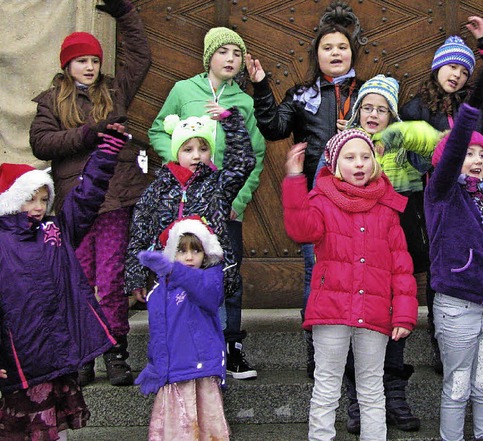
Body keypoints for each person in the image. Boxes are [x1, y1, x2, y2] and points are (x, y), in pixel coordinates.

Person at [29, 0, 152, 387]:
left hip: (113, 200)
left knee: (112, 277)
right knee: (79, 279)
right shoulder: (51, 101)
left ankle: (115, 350)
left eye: (94, 61)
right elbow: (41, 143)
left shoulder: (114, 91)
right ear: (67, 65)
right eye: (81, 61)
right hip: (73, 207)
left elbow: (141, 56)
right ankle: (83, 353)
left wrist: (125, 13)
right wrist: (86, 133)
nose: (89, 67)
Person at [282, 129, 418, 441]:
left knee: (372, 388)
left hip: (374, 312)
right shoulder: (320, 201)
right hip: (331, 311)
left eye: (365, 157)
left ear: (374, 162)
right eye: (350, 157)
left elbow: (401, 266)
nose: (359, 164)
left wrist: (404, 314)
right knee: (327, 385)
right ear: (333, 164)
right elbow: (301, 229)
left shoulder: (386, 207)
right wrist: (293, 180)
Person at [147, 26, 265, 380]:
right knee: (183, 270)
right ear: (208, 57)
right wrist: (178, 160)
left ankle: (231, 347)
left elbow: (255, 155)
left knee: (228, 274)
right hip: (187, 203)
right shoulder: (184, 90)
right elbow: (157, 130)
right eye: (223, 52)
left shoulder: (243, 101)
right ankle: (184, 345)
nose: (230, 59)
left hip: (224, 203)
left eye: (236, 53)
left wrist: (239, 199)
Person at [246, 21, 363, 378]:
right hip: (318, 199)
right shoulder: (302, 94)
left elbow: (391, 131)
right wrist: (262, 85)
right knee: (318, 273)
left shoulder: (368, 92)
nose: (335, 53)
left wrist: (361, 128)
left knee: (361, 270)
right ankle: (319, 354)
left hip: (362, 199)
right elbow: (273, 127)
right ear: (317, 55)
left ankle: (360, 351)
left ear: (352, 53)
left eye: (342, 47)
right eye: (328, 47)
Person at [399, 15, 483, 374]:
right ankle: (440, 340)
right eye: (451, 67)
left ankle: (477, 332)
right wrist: (437, 167)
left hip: (471, 199)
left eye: (464, 72)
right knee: (439, 267)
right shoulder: (416, 107)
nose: (457, 76)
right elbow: (409, 150)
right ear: (436, 69)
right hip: (436, 200)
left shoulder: (471, 105)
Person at [0, 128, 129, 440]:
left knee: (56, 428)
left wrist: (106, 154)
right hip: (23, 360)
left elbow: (86, 199)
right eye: (29, 199)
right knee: (27, 430)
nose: (38, 207)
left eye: (44, 199)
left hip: (59, 355)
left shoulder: (55, 233)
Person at [339, 74, 440, 433]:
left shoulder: (404, 147)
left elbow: (437, 145)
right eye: (367, 107)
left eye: (382, 109)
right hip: (357, 250)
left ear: (391, 116)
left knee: (397, 322)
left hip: (400, 248)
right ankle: (358, 400)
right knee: (358, 323)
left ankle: (394, 394)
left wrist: (401, 134)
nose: (373, 114)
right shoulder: (344, 147)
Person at [419, 84, 483, 440]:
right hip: (458, 307)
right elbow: (456, 145)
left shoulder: (482, 196)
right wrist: (470, 112)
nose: (476, 159)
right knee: (458, 387)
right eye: (468, 153)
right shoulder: (442, 192)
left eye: (481, 155)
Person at [126, 108, 256, 362]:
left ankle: (210, 385)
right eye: (188, 149)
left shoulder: (218, 185)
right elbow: (140, 231)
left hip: (207, 277)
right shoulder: (158, 189)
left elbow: (243, 162)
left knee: (209, 336)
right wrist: (136, 276)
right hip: (170, 279)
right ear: (176, 152)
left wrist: (231, 123)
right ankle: (176, 389)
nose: (196, 155)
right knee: (173, 339)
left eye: (203, 148)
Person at [136, 216, 231, 441]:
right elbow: (158, 332)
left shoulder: (210, 278)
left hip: (201, 374)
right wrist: (155, 364)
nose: (189, 257)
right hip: (173, 374)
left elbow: (206, 293)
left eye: (196, 251)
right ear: (171, 253)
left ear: (205, 253)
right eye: (181, 251)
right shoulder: (160, 291)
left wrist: (175, 272)